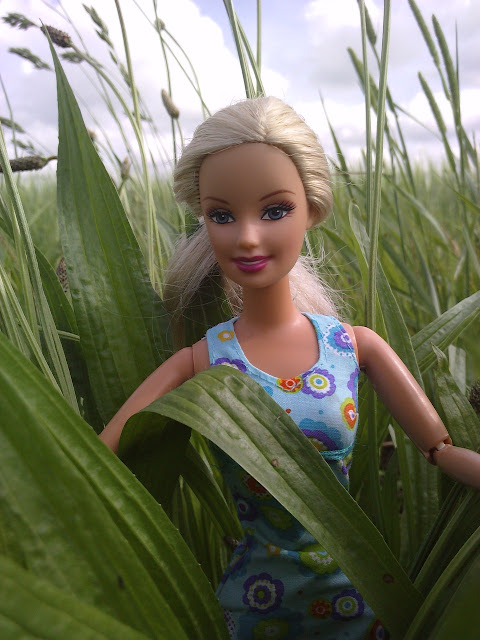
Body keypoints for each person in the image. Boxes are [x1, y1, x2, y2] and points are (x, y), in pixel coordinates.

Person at [100, 96, 480, 639]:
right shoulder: (205, 359)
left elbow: (438, 449)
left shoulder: (354, 346)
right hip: (256, 603)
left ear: (313, 209)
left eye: (274, 210)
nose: (247, 236)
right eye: (221, 216)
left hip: (357, 591)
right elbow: (102, 453)